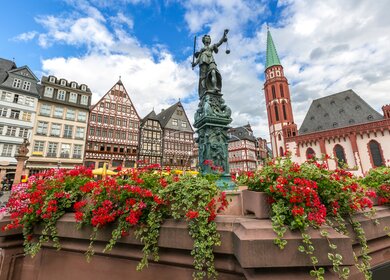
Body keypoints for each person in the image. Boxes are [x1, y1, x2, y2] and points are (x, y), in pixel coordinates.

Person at [192, 29, 229, 95]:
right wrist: (194, 64)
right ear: (204, 40)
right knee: (203, 77)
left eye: (208, 38)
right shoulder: (202, 50)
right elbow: (198, 58)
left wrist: (224, 35)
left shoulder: (212, 47)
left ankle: (215, 87)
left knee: (213, 71)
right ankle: (205, 91)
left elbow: (220, 42)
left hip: (211, 60)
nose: (207, 39)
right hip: (203, 61)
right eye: (206, 38)